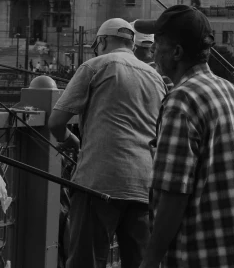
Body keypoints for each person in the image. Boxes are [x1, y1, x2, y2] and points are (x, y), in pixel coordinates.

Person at [138, 5, 234, 268]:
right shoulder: (229, 90)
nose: (153, 52)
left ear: (176, 52)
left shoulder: (182, 100)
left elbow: (173, 194)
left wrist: (149, 260)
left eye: (158, 44)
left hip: (203, 253)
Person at [48, 17, 166, 268]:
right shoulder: (156, 78)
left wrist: (70, 140)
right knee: (141, 262)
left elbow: (56, 122)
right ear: (132, 45)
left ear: (101, 41)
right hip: (145, 183)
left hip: (98, 182)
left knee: (86, 261)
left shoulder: (95, 66)